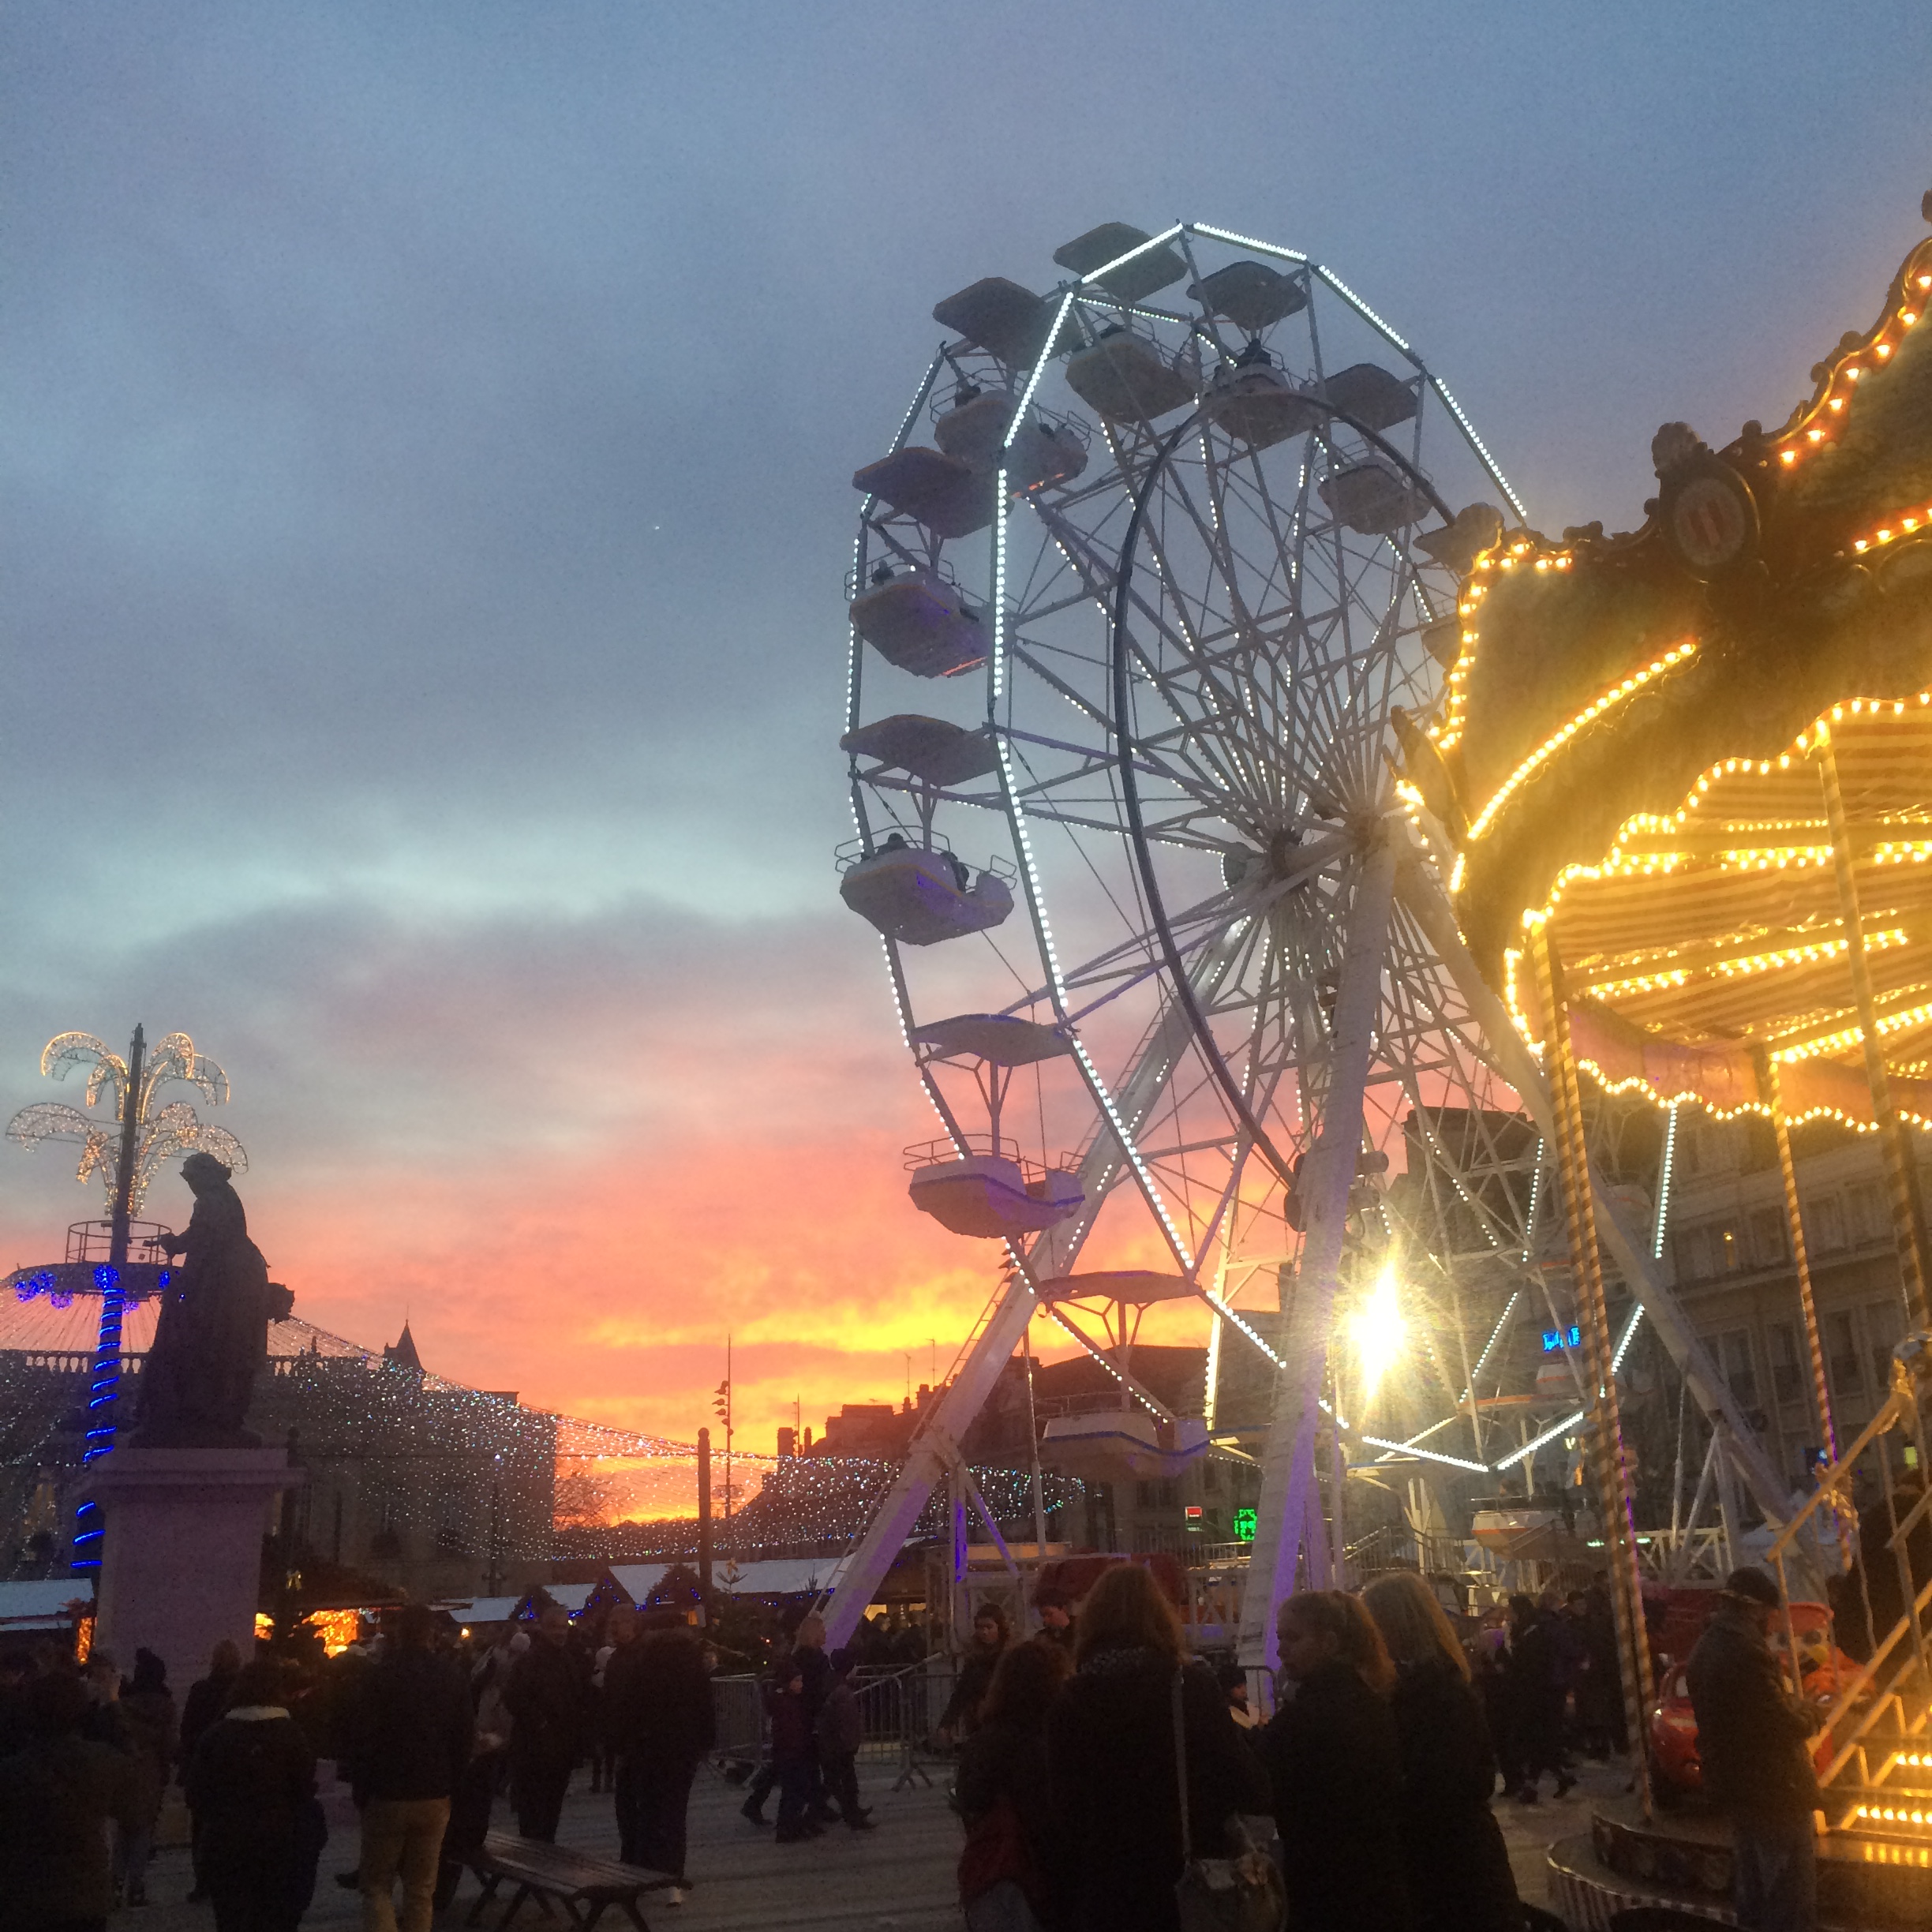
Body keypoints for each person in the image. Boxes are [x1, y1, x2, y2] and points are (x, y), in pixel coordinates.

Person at [1048, 1562, 1269, 1932]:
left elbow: (1064, 1810)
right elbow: (1246, 1783)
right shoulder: (1190, 1688)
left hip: (1107, 1887)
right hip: (1187, 1883)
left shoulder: (1069, 1702)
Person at [1362, 1572, 1520, 1932]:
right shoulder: (1429, 1686)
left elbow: (1448, 1784)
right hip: (1450, 1860)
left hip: (1450, 1866)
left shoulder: (1434, 1694)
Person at [1259, 1590, 1412, 1932]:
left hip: (1324, 1884)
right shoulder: (1373, 1704)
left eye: (1294, 1638)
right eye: (1281, 1637)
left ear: (1328, 1642)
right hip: (1380, 1879)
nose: (1282, 1649)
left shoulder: (1304, 1719)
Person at [1686, 1567, 1823, 1932]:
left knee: (1754, 1884)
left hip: (1735, 1783)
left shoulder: (1705, 1647)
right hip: (1773, 1786)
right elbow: (1779, 1720)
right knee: (1788, 1891)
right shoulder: (1747, 1651)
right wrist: (1810, 1712)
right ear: (1759, 1609)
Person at [346, 1603, 474, 1932]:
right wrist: (452, 1783)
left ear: (399, 1633)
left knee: (376, 1885)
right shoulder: (451, 1675)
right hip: (434, 1793)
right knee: (421, 1889)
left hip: (387, 1792)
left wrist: (362, 1789)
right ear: (431, 1632)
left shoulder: (379, 1675)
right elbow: (464, 1738)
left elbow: (361, 1738)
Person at [0, 1669, 143, 1932]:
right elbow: (135, 1799)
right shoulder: (101, 1762)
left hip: (22, 1897)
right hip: (84, 1896)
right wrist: (113, 1707)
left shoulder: (11, 1772)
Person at [189, 1657, 322, 1932]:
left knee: (232, 1918)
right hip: (280, 1843)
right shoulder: (292, 1735)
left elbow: (197, 1794)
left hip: (227, 1843)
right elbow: (304, 1789)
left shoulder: (217, 1736)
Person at [957, 1636, 1070, 1932]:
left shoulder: (983, 1740)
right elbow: (1046, 1823)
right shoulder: (1040, 1744)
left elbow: (969, 1800)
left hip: (989, 1875)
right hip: (1032, 1879)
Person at [607, 1609, 717, 1894]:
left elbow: (630, 1706)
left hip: (650, 1746)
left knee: (650, 1808)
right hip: (683, 1747)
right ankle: (674, 1874)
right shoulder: (692, 1661)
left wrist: (624, 1741)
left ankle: (647, 1869)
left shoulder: (645, 1661)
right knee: (675, 1810)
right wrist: (706, 1742)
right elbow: (705, 1705)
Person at [504, 1604, 590, 1841]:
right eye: (554, 1627)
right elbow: (513, 1696)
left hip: (559, 1753)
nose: (560, 1633)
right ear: (543, 1629)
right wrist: (539, 1723)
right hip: (534, 1754)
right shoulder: (530, 1661)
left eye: (563, 1627)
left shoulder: (568, 1660)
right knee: (534, 1821)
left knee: (549, 1820)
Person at [117, 1649, 177, 1908]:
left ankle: (116, 1880)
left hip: (124, 1768)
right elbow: (170, 1744)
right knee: (144, 1830)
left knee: (123, 1828)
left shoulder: (124, 1705)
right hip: (151, 1770)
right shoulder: (166, 1706)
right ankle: (136, 1885)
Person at [1502, 1593, 1573, 1803]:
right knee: (1540, 1739)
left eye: (1511, 1611)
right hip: (1540, 1692)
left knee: (1533, 1738)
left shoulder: (1532, 1631)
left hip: (1539, 1693)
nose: (1508, 1615)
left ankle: (1533, 1785)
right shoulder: (1527, 1629)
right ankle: (1555, 1778)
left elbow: (1529, 1665)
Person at [815, 1646, 873, 1831]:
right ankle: (851, 1815)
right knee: (844, 1783)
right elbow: (846, 1722)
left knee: (837, 1781)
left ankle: (850, 1811)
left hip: (832, 1743)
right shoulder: (842, 1692)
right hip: (839, 1745)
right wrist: (850, 1743)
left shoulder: (832, 1684)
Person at [938, 1603, 1011, 1747]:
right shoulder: (975, 1657)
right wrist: (947, 1723)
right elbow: (962, 1691)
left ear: (1000, 1627)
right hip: (978, 1720)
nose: (984, 1632)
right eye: (980, 1627)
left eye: (989, 1627)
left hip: (1005, 1721)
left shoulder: (1010, 1656)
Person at [767, 1659, 816, 1843]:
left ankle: (790, 1825)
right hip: (790, 1753)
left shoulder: (790, 1701)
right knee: (795, 1789)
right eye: (797, 1681)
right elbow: (788, 1730)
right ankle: (788, 1826)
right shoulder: (785, 1704)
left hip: (792, 1751)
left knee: (794, 1790)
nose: (800, 1685)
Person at [590, 1605, 637, 1796]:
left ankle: (600, 1780)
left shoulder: (631, 1658)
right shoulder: (617, 1662)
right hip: (614, 1724)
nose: (614, 1629)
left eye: (617, 1624)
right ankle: (606, 1780)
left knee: (602, 1753)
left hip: (615, 1724)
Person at [1033, 1586, 1076, 1658]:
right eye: (1043, 1616)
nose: (1045, 1620)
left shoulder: (1080, 1630)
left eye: (1049, 1614)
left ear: (1063, 1609)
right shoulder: (1043, 1638)